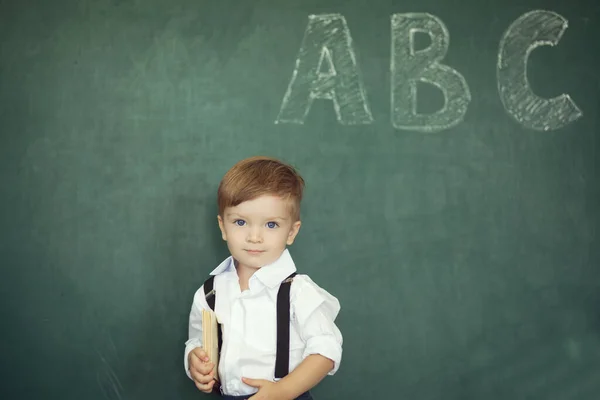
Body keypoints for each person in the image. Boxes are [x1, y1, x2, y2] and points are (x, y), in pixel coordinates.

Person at [184, 156, 343, 400]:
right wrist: (194, 359)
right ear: (223, 227)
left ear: (291, 232)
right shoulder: (210, 292)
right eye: (240, 222)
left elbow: (326, 349)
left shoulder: (298, 292)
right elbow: (196, 339)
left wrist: (283, 391)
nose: (254, 237)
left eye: (271, 225)